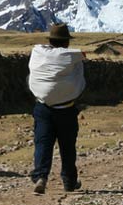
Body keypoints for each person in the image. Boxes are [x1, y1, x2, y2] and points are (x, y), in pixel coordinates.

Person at [27, 22, 85, 194]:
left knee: (42, 143)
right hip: (66, 109)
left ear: (50, 40)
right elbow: (79, 81)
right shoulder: (74, 58)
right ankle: (69, 181)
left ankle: (40, 177)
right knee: (67, 146)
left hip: (42, 107)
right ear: (67, 42)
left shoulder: (38, 53)